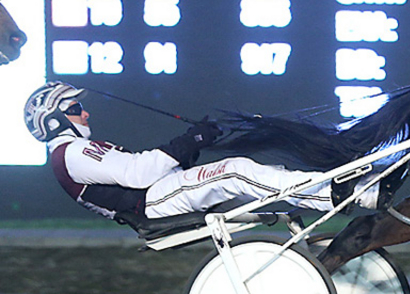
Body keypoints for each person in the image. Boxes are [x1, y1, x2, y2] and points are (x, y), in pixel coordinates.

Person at [24, 81, 382, 222]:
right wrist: (193, 139)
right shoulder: (71, 152)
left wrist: (193, 145)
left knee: (256, 172)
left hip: (156, 196)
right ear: (55, 122)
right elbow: (138, 174)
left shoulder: (72, 153)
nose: (84, 113)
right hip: (151, 202)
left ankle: (334, 191)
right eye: (73, 109)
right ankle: (343, 192)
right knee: (235, 170)